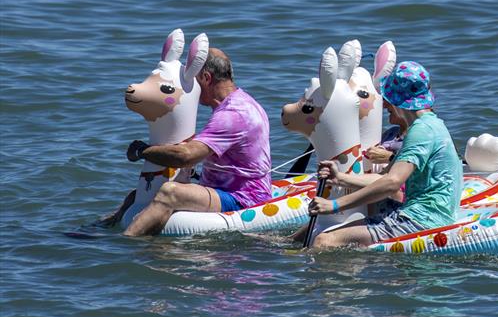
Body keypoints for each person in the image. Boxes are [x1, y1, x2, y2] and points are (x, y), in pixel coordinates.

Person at [307, 61, 463, 248]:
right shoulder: (433, 124)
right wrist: (340, 178)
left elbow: (392, 183)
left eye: (388, 99)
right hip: (430, 215)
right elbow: (383, 178)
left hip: (422, 219)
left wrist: (334, 205)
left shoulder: (421, 130)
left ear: (399, 101)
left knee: (325, 240)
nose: (385, 104)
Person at [122, 48, 272, 236]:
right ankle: (94, 232)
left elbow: (186, 157)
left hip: (242, 198)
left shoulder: (233, 114)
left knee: (170, 192)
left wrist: (142, 151)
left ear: (206, 78)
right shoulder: (241, 102)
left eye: (193, 79)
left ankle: (125, 244)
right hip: (225, 189)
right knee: (136, 195)